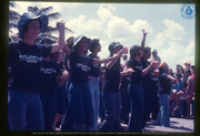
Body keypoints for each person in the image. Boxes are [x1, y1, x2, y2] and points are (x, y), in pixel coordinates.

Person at [8, 11, 66, 130]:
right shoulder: (13, 47)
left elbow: (60, 45)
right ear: (24, 28)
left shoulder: (40, 48)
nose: (37, 29)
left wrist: (62, 28)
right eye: (33, 26)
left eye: (39, 27)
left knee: (38, 127)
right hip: (17, 94)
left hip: (35, 95)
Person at [61, 35, 127, 131]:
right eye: (83, 41)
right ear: (78, 43)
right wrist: (61, 28)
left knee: (89, 118)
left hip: (86, 89)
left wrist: (120, 52)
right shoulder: (74, 55)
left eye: (87, 42)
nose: (85, 44)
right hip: (75, 88)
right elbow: (62, 45)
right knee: (79, 118)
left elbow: (104, 60)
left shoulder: (88, 59)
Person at [124, 29, 156, 132]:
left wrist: (144, 36)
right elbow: (128, 69)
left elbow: (142, 72)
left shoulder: (139, 62)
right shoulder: (131, 61)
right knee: (135, 108)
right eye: (139, 51)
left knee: (140, 108)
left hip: (139, 86)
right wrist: (128, 70)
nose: (141, 52)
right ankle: (132, 129)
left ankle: (137, 128)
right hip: (133, 85)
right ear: (135, 52)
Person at [99, 42, 130, 131]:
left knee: (117, 115)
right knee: (111, 115)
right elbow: (108, 67)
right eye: (117, 48)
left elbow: (115, 73)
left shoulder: (118, 60)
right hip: (109, 89)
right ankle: (101, 130)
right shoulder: (111, 58)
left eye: (120, 47)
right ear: (112, 49)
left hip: (116, 89)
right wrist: (120, 53)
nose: (119, 49)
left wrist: (125, 73)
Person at [39, 50, 68, 130]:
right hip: (39, 95)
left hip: (52, 95)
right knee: (40, 119)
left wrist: (64, 77)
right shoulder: (38, 63)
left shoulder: (56, 65)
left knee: (50, 120)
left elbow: (59, 83)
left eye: (57, 53)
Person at [86, 39, 102, 131]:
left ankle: (94, 128)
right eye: (99, 45)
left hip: (97, 81)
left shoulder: (98, 57)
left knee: (97, 105)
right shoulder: (89, 57)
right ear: (95, 47)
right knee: (92, 105)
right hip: (90, 81)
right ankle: (90, 127)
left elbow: (99, 71)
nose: (100, 46)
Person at [156, 62, 176, 127]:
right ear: (165, 68)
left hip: (162, 93)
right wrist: (173, 78)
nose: (168, 68)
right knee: (165, 108)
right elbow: (170, 77)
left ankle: (159, 121)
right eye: (167, 67)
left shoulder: (161, 74)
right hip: (164, 93)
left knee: (162, 108)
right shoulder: (164, 74)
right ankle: (164, 124)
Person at [140, 46, 152, 128]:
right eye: (148, 52)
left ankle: (144, 121)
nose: (150, 53)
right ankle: (141, 122)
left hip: (148, 85)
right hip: (142, 85)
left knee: (147, 104)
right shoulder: (142, 61)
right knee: (142, 104)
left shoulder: (148, 63)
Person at [120, 55, 131, 125]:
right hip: (123, 87)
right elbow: (121, 76)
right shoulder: (124, 68)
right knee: (124, 104)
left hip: (128, 88)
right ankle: (121, 118)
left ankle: (125, 119)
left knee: (128, 104)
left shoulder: (131, 70)